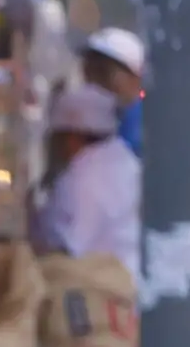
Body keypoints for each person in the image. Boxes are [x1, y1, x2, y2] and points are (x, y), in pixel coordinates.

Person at [30, 82, 141, 292]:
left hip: (100, 293)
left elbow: (66, 248)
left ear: (72, 136)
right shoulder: (122, 157)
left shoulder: (83, 177)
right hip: (128, 283)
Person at [82, 26, 145, 157]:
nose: (94, 81)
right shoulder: (82, 122)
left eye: (103, 71)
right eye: (88, 69)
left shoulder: (144, 123)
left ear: (135, 77)